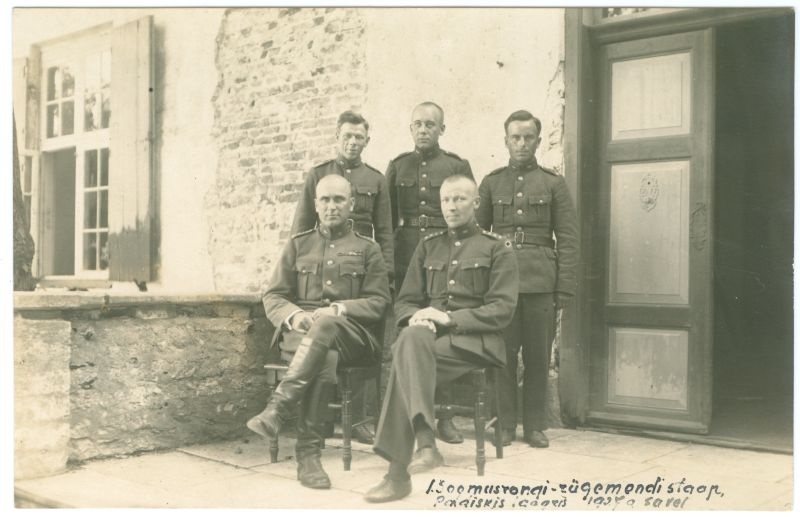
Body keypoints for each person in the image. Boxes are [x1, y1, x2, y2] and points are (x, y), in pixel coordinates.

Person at [364, 175, 519, 503]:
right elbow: (405, 301)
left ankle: (409, 461)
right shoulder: (428, 245)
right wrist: (419, 316)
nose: (451, 206)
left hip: (476, 343)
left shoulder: (497, 248)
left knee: (406, 352)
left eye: (460, 199)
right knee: (410, 339)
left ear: (475, 203)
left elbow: (502, 309)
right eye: (446, 200)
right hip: (430, 342)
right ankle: (417, 452)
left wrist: (448, 318)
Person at [248, 174, 390, 489]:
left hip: (352, 334)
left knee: (326, 326)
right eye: (325, 199)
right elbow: (273, 295)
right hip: (300, 334)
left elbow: (379, 302)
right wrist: (294, 315)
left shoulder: (368, 249)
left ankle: (279, 408)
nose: (331, 206)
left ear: (351, 204)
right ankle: (308, 456)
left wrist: (341, 310)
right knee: (325, 356)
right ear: (315, 204)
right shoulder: (298, 245)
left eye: (339, 199)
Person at [476, 110, 578, 448]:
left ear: (537, 140)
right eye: (515, 137)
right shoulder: (491, 183)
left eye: (528, 137)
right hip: (501, 284)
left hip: (540, 282)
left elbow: (568, 237)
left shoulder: (553, 183)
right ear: (505, 141)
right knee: (501, 354)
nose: (521, 143)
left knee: (537, 357)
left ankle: (534, 425)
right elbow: (478, 236)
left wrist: (564, 286)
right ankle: (503, 424)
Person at [290, 110, 392, 444]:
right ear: (337, 136)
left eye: (358, 137)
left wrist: (384, 277)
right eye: (347, 136)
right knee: (327, 343)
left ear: (367, 141)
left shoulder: (376, 180)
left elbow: (386, 232)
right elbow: (302, 227)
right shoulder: (318, 174)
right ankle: (321, 419)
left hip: (362, 270)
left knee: (367, 345)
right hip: (322, 262)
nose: (352, 142)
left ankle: (362, 418)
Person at [385, 101, 473, 444]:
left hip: (445, 251)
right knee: (408, 329)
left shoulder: (455, 165)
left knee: (442, 331)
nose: (424, 130)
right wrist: (391, 265)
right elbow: (388, 220)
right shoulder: (398, 166)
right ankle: (409, 414)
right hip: (408, 254)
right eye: (418, 124)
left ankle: (445, 416)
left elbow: (464, 210)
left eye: (430, 125)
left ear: (442, 130)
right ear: (410, 129)